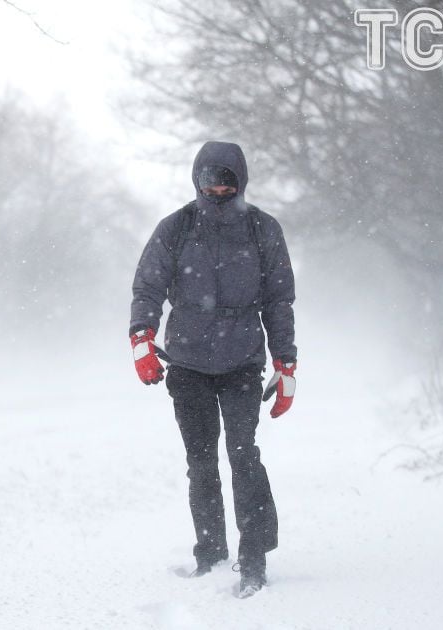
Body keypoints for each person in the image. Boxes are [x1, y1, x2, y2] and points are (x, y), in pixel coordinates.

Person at [128, 140, 297, 599]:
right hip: (187, 365)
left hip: (243, 362)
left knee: (243, 453)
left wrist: (287, 364)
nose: (218, 188)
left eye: (227, 180)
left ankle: (255, 558)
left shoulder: (263, 230)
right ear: (197, 180)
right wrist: (142, 337)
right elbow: (148, 285)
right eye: (210, 179)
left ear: (240, 181)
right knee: (200, 462)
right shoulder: (176, 228)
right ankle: (210, 553)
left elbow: (280, 301)